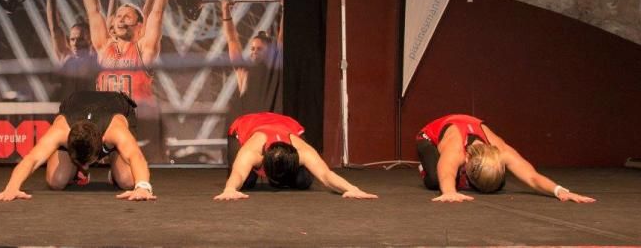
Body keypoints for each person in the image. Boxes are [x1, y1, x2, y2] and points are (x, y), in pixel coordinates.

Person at [0, 90, 156, 201]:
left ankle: (115, 164)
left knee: (128, 181)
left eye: (87, 163)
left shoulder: (115, 130)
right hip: (76, 103)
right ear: (68, 142)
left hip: (114, 106)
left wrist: (143, 187)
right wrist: (12, 188)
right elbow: (32, 159)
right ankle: (75, 173)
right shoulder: (61, 130)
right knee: (56, 182)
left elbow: (136, 156)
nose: (85, 166)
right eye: (80, 163)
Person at [416, 113, 596, 203]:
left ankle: (472, 180)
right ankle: (426, 169)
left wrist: (560, 191)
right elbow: (446, 171)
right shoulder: (455, 149)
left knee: (495, 185)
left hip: (467, 139)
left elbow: (532, 177)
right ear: (467, 158)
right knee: (435, 180)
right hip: (429, 137)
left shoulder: (501, 150)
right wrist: (449, 192)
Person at [215, 112, 377, 200]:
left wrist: (352, 189)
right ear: (263, 161)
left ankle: (287, 177)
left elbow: (326, 175)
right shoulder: (252, 152)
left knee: (303, 181)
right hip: (246, 124)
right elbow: (238, 173)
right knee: (246, 182)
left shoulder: (303, 151)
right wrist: (230, 189)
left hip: (286, 125)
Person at [83, 0, 173, 102]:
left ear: (139, 26)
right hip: (108, 120)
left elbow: (157, 13)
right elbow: (93, 12)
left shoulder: (143, 50)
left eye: (127, 17)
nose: (121, 20)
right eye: (118, 16)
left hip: (134, 120)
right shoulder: (105, 47)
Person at [220, 0, 283, 115]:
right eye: (252, 48)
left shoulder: (274, 70)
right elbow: (232, 39)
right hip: (249, 126)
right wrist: (225, 9)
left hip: (269, 125)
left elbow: (281, 40)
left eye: (259, 49)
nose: (254, 52)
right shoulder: (243, 71)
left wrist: (285, 9)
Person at [46, 0, 99, 97]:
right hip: (68, 108)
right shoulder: (66, 56)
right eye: (72, 39)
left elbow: (95, 13)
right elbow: (54, 27)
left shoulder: (97, 56)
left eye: (80, 39)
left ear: (90, 40)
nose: (75, 43)